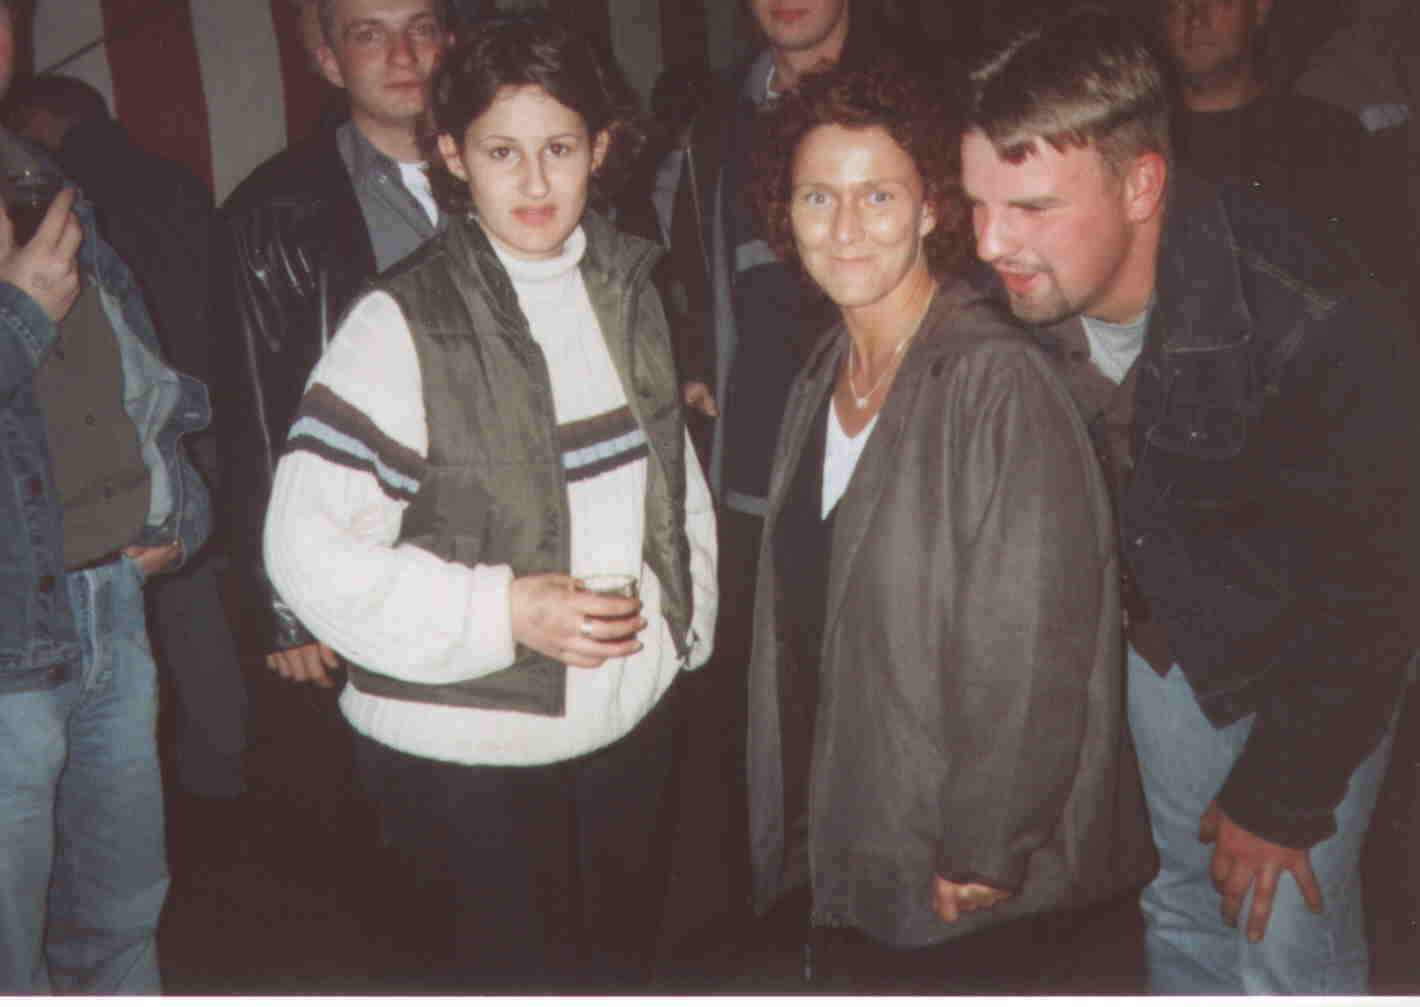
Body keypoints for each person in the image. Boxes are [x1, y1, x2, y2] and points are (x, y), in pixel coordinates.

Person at [962, 5, 1418, 994]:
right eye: (976, 203)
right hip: (1166, 632)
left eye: (1031, 207)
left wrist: (1284, 790)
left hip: (1312, 650)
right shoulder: (1008, 303)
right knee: (1179, 900)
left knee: (1279, 930)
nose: (992, 241)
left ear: (1141, 184)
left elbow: (1379, 581)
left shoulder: (1311, 309)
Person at [263, 15, 717, 990]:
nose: (536, 182)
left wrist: (686, 628)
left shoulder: (628, 282)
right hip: (463, 761)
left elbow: (671, 474)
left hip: (624, 733)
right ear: (452, 156)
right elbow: (304, 547)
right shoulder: (399, 322)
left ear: (601, 148)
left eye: (560, 147)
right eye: (502, 151)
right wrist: (503, 609)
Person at [741, 64, 1154, 987]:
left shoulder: (993, 380)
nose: (845, 227)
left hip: (960, 872)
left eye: (878, 196)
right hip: (860, 830)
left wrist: (987, 843)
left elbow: (1035, 646)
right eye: (818, 196)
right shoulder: (821, 371)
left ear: (932, 207)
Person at [658, 0, 936, 949]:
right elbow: (677, 254)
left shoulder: (917, 91)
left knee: (889, 693)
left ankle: (889, 917)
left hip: (885, 445)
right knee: (771, 703)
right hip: (755, 465)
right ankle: (797, 920)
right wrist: (692, 349)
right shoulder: (714, 118)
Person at [0, 0, 213, 992]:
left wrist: (177, 506)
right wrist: (15, 319)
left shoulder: (37, 178)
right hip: (8, 633)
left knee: (121, 923)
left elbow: (134, 374)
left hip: (109, 600)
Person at [5, 73, 248, 804]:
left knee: (176, 614)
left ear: (46, 124)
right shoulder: (175, 179)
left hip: (146, 426)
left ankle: (209, 776)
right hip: (193, 407)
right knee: (195, 610)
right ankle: (223, 775)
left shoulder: (59, 193)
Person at [217, 0, 450, 685]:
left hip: (513, 542)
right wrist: (282, 605)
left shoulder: (513, 174)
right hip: (371, 545)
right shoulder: (273, 210)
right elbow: (252, 412)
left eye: (421, 29)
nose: (403, 56)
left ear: (450, 42)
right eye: (370, 35)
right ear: (330, 62)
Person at [1158, 0, 1386, 284]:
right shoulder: (1138, 145)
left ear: (1260, 8)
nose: (1196, 19)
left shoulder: (1327, 137)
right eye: (1179, 3)